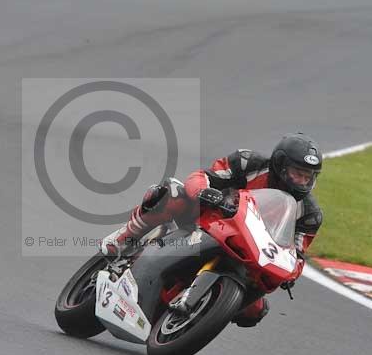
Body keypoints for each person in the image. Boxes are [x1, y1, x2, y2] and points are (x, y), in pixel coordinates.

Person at [101, 133, 324, 327]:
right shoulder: (249, 163)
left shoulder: (309, 215)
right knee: (172, 193)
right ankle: (123, 241)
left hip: (250, 255)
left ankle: (202, 315)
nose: (302, 181)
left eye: (308, 176)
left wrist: (291, 274)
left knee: (254, 311)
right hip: (208, 221)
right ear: (280, 165)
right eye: (297, 173)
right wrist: (206, 192)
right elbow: (202, 176)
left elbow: (297, 254)